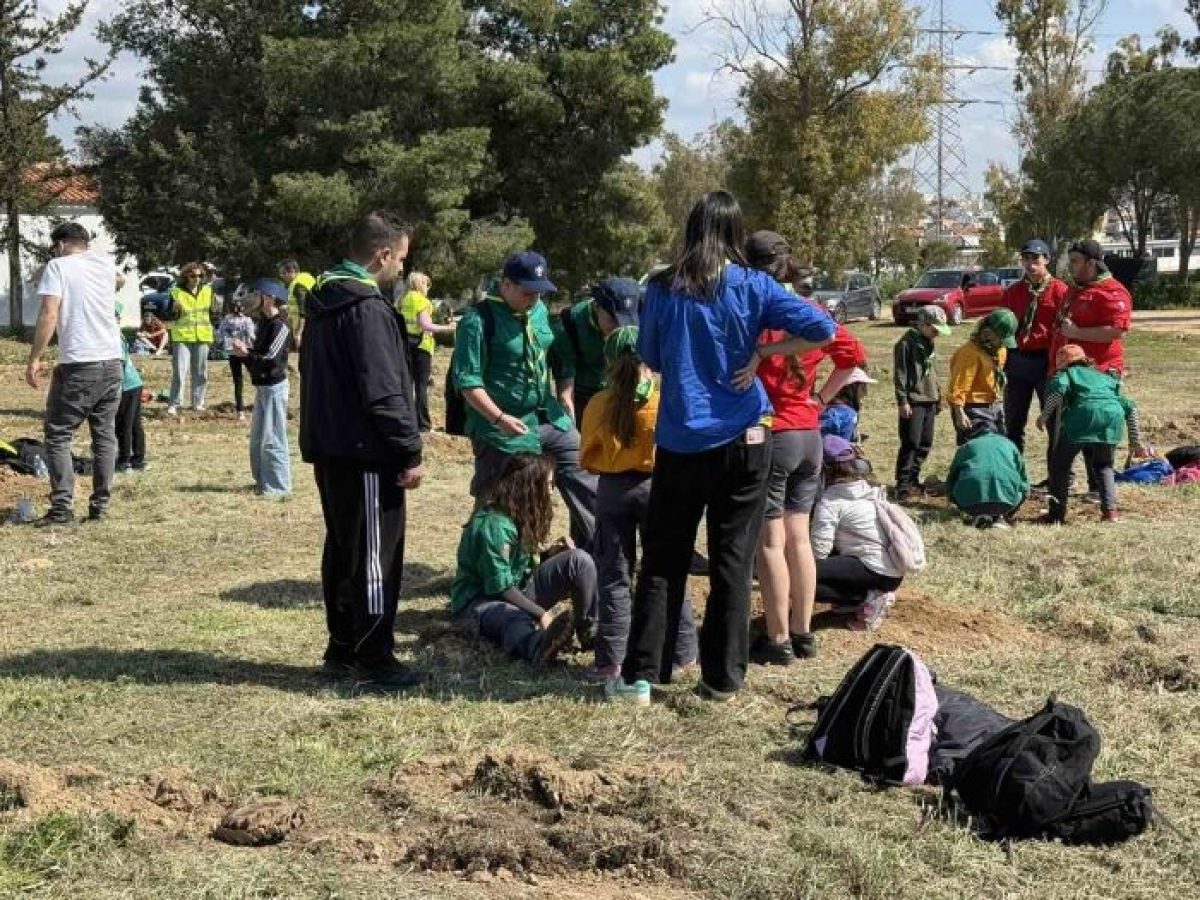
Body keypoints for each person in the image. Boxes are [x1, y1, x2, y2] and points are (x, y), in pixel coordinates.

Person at [607, 191, 835, 705]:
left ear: (691, 229)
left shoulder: (661, 287)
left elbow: (651, 356)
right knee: (733, 559)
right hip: (747, 438)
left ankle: (643, 676)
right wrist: (765, 351)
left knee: (663, 558)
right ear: (736, 233)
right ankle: (722, 680)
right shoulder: (754, 284)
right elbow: (823, 329)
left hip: (683, 440)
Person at [300, 211, 425, 692]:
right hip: (365, 452)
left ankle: (343, 646)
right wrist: (408, 450)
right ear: (382, 254)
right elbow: (384, 389)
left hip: (332, 446)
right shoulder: (367, 309)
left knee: (344, 548)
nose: (402, 269)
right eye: (401, 259)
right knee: (374, 556)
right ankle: (373, 658)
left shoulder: (323, 302)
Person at [741, 229, 865, 666]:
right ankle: (803, 631)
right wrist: (822, 398)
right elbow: (853, 357)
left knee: (770, 543)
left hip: (773, 434)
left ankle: (777, 639)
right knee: (800, 539)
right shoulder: (813, 312)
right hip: (810, 435)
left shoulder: (756, 314)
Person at [451, 251, 598, 551]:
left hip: (547, 416)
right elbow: (468, 381)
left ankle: (601, 555)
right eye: (527, 292)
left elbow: (557, 351)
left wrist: (565, 391)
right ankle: (480, 561)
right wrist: (499, 418)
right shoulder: (477, 320)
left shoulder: (539, 311)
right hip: (501, 425)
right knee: (498, 497)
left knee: (585, 474)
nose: (534, 299)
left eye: (539, 293)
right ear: (506, 284)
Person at [580, 326, 698, 684]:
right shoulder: (666, 399)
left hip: (613, 491)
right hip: (658, 488)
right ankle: (682, 652)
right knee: (667, 571)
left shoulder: (599, 403)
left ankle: (611, 661)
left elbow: (587, 457)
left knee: (614, 576)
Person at [449, 453, 596, 666]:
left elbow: (519, 568)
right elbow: (500, 588)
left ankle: (590, 631)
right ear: (529, 487)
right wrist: (541, 614)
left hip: (517, 588)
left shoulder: (516, 517)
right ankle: (537, 646)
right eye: (548, 484)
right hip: (480, 603)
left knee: (579, 561)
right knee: (510, 616)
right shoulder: (493, 526)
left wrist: (550, 554)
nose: (551, 491)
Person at [24, 222, 123, 526]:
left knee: (58, 433)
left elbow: (49, 313)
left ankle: (62, 508)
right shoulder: (104, 264)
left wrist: (35, 357)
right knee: (104, 435)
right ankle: (100, 506)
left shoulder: (58, 266)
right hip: (112, 361)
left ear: (61, 244)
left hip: (80, 362)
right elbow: (118, 279)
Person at [1048, 239, 1134, 500]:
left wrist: (1077, 333)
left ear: (1092, 263)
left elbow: (1117, 330)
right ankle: (1065, 486)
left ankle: (1099, 489)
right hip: (1070, 371)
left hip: (1098, 372)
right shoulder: (1075, 289)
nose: (1070, 266)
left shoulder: (1112, 292)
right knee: (1070, 428)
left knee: (1094, 432)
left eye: (1075, 261)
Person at [1036, 344, 1147, 525]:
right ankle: (1111, 513)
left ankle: (1056, 515)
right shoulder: (1104, 377)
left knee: (1060, 466)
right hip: (1111, 418)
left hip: (1082, 418)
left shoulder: (1066, 374)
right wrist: (1136, 441)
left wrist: (1044, 415)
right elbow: (1130, 407)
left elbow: (1058, 390)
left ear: (1061, 363)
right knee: (1104, 466)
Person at [811, 436, 904, 631]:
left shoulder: (831, 502)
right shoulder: (868, 489)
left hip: (873, 569)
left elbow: (819, 551)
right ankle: (856, 597)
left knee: (800, 575)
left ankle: (866, 598)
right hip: (892, 570)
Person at [1001, 239, 1069, 454]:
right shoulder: (1013, 292)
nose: (1030, 264)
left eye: (1035, 258)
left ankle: (1057, 471)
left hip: (1047, 361)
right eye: (1026, 259)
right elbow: (1004, 328)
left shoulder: (1061, 291)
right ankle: (1013, 468)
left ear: (1046, 260)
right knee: (1013, 421)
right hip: (1018, 360)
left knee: (1054, 421)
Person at [232, 280, 292, 497]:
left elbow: (271, 359)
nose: (251, 299)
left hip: (274, 388)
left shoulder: (280, 326)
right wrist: (245, 353)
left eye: (256, 295)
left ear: (269, 298)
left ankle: (278, 487)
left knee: (273, 438)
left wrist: (246, 354)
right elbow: (259, 355)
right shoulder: (264, 323)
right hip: (263, 387)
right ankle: (263, 481)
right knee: (258, 439)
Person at [555, 277, 641, 423]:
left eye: (625, 321)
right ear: (596, 306)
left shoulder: (632, 327)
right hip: (583, 399)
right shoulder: (570, 325)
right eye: (613, 320)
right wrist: (573, 432)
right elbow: (566, 394)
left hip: (621, 395)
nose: (619, 329)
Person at [893, 305, 951, 503]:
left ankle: (913, 479)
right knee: (911, 443)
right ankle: (902, 486)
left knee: (925, 443)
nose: (937, 334)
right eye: (935, 329)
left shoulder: (928, 341)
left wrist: (938, 395)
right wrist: (902, 400)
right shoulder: (905, 344)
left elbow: (931, 371)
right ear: (922, 324)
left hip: (929, 398)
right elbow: (900, 374)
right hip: (914, 400)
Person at [948, 308, 1018, 445]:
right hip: (972, 408)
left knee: (998, 447)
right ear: (987, 332)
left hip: (994, 405)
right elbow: (959, 384)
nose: (1002, 343)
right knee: (980, 448)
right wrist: (959, 412)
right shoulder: (969, 353)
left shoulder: (1000, 350)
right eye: (1000, 339)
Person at [397, 271, 454, 432]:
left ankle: (407, 419)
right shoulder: (422, 301)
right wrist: (448, 328)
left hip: (405, 346)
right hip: (422, 346)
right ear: (420, 284)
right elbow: (426, 325)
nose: (428, 288)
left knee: (407, 384)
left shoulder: (401, 300)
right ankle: (423, 424)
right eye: (426, 285)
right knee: (421, 386)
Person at [946, 423, 1029, 529]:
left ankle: (978, 514)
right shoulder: (1010, 444)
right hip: (1007, 503)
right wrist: (1015, 507)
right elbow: (1024, 483)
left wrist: (953, 499)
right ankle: (1001, 516)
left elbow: (951, 479)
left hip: (970, 504)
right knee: (1017, 491)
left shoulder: (967, 446)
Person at [166, 262, 215, 415]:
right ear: (186, 276)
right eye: (193, 275)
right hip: (182, 337)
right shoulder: (176, 292)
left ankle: (198, 403)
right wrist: (174, 310)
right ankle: (175, 404)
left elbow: (212, 314)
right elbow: (169, 316)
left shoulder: (208, 291)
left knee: (200, 372)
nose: (196, 278)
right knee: (180, 372)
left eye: (200, 276)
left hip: (202, 336)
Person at [114, 304, 147, 474]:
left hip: (126, 385)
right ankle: (138, 459)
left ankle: (124, 460)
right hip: (134, 383)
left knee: (124, 424)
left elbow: (119, 364)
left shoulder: (113, 336)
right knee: (134, 423)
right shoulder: (117, 334)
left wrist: (116, 388)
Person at [216, 301, 256, 421]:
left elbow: (252, 335)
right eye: (236, 307)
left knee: (249, 378)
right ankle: (240, 409)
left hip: (243, 351)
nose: (237, 309)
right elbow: (220, 333)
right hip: (236, 351)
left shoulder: (245, 319)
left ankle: (242, 410)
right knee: (239, 380)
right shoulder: (229, 319)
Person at [819, 368, 876, 442]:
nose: (865, 393)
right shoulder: (847, 414)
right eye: (863, 387)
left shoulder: (826, 408)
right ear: (851, 389)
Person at [279, 259, 316, 351]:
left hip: (307, 329)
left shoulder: (298, 285)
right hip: (311, 326)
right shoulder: (301, 280)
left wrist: (299, 333)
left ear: (292, 271)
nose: (281, 276)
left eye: (283, 273)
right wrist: (288, 308)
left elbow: (303, 311)